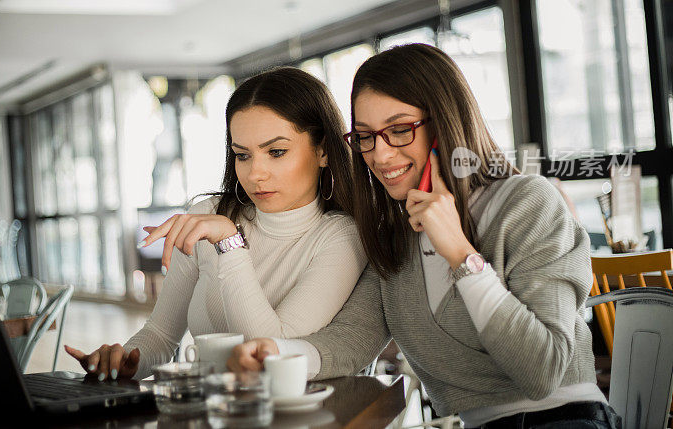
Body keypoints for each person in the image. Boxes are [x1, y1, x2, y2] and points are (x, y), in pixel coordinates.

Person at [229, 45, 620, 429]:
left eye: (399, 130)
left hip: (563, 419)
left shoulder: (526, 203)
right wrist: (279, 352)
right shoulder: (392, 234)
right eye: (366, 136)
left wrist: (460, 254)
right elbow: (354, 338)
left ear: (445, 122)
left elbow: (542, 371)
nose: (380, 156)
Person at [65, 67, 367, 381]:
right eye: (243, 155)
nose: (255, 174)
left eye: (276, 152)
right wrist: (124, 362)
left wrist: (230, 244)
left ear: (323, 151)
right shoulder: (209, 214)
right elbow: (161, 334)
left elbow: (272, 351)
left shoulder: (342, 237)